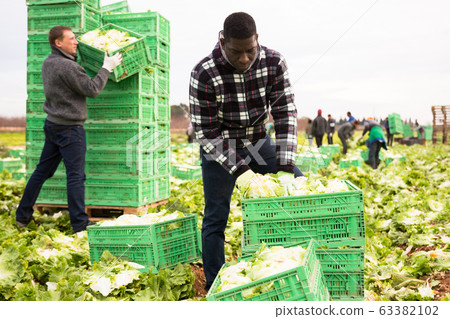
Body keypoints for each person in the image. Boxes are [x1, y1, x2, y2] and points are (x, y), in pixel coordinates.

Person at [189, 12, 303, 290]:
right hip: (220, 146)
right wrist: (240, 171)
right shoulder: (204, 72)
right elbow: (206, 132)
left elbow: (285, 113)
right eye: (236, 51)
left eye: (249, 50)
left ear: (257, 41)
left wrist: (286, 166)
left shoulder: (273, 62)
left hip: (258, 141)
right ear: (223, 41)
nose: (244, 58)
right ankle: (216, 286)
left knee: (299, 189)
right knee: (216, 216)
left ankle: (297, 267)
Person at [15, 26, 122, 233]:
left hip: (53, 125)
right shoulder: (68, 67)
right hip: (70, 129)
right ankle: (80, 225)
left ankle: (22, 216)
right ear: (58, 43)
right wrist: (106, 68)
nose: (76, 42)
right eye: (72, 39)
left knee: (42, 171)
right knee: (75, 176)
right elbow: (92, 90)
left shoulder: (49, 62)